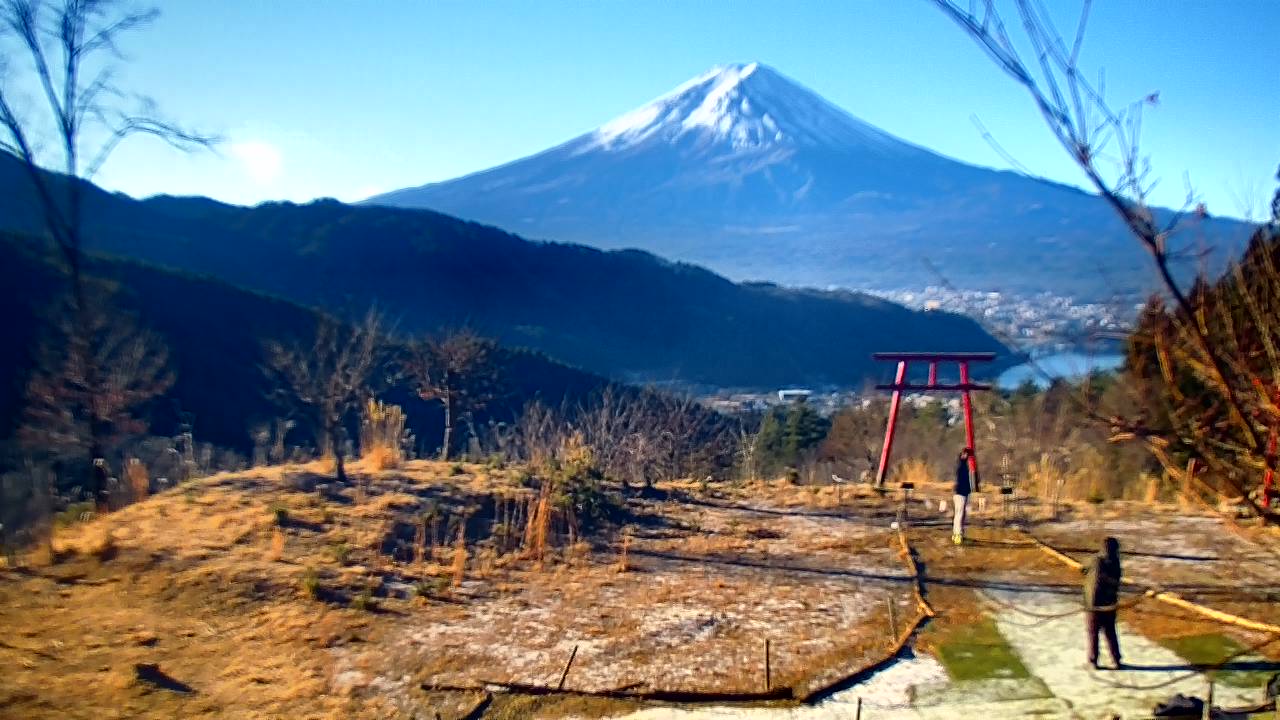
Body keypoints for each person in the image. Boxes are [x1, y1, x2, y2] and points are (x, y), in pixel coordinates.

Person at [1083, 536, 1124, 669]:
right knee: (1110, 632)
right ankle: (1116, 659)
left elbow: (1084, 569)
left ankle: (1093, 661)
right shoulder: (1116, 563)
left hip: (1093, 605)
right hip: (1109, 604)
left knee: (1093, 633)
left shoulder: (1095, 561)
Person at [952, 448, 975, 545]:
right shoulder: (962, 467)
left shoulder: (963, 466)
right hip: (960, 494)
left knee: (960, 515)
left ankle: (957, 534)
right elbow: (963, 482)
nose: (967, 457)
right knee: (959, 515)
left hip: (962, 494)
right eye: (966, 455)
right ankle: (957, 535)